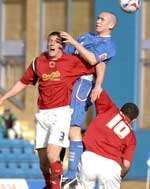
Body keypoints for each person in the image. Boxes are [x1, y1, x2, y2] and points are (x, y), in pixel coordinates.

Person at [0, 31, 98, 189]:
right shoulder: (39, 61)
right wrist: (4, 97)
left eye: (56, 41)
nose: (51, 43)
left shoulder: (71, 61)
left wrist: (74, 43)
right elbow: (23, 82)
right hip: (42, 115)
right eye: (50, 40)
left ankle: (57, 186)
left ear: (62, 46)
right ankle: (49, 185)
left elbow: (95, 62)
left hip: (61, 113)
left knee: (53, 155)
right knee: (43, 163)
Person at [60, 11, 117, 185]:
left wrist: (74, 42)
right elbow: (67, 53)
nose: (98, 21)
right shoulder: (87, 36)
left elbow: (94, 60)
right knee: (60, 127)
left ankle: (72, 175)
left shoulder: (109, 45)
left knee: (73, 127)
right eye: (98, 18)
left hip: (82, 85)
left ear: (111, 25)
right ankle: (59, 172)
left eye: (103, 19)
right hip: (66, 82)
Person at [75, 90, 139, 189]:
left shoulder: (110, 108)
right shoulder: (132, 137)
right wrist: (120, 174)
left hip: (89, 158)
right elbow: (126, 164)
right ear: (134, 120)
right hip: (111, 166)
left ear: (121, 109)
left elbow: (99, 90)